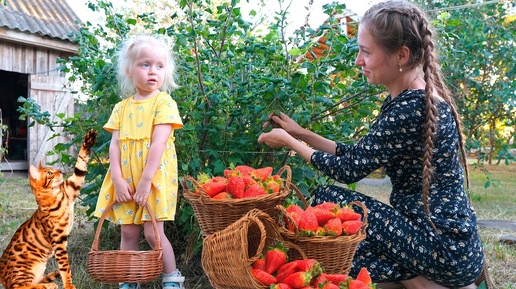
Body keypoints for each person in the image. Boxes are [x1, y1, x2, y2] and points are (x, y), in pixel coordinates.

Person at [258, 1, 487, 288]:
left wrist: (290, 142)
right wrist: (304, 134)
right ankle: (421, 280)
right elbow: (359, 155)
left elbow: (348, 171)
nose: (358, 60)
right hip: (447, 245)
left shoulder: (411, 108)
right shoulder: (410, 99)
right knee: (345, 252)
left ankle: (424, 282)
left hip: (443, 250)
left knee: (329, 200)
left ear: (401, 55)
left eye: (366, 51)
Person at [94, 34, 185, 289]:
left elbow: (158, 144)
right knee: (128, 232)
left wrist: (145, 182)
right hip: (126, 178)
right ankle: (129, 279)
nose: (152, 71)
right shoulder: (121, 108)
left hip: (152, 178)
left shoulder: (163, 102)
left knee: (152, 232)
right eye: (144, 65)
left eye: (159, 66)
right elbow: (114, 145)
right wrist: (117, 179)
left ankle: (172, 278)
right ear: (129, 71)